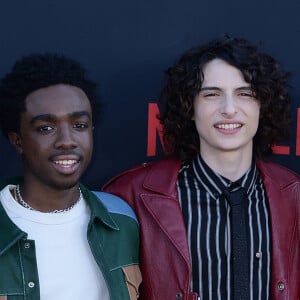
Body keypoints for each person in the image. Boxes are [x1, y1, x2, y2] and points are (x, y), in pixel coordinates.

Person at [103, 36, 300, 300]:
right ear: (190, 107)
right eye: (211, 94)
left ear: (261, 106)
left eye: (244, 94)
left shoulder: (294, 196)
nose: (229, 109)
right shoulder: (132, 196)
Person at [0, 53, 141, 300]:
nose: (66, 141)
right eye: (46, 128)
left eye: (79, 125)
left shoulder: (121, 221)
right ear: (17, 140)